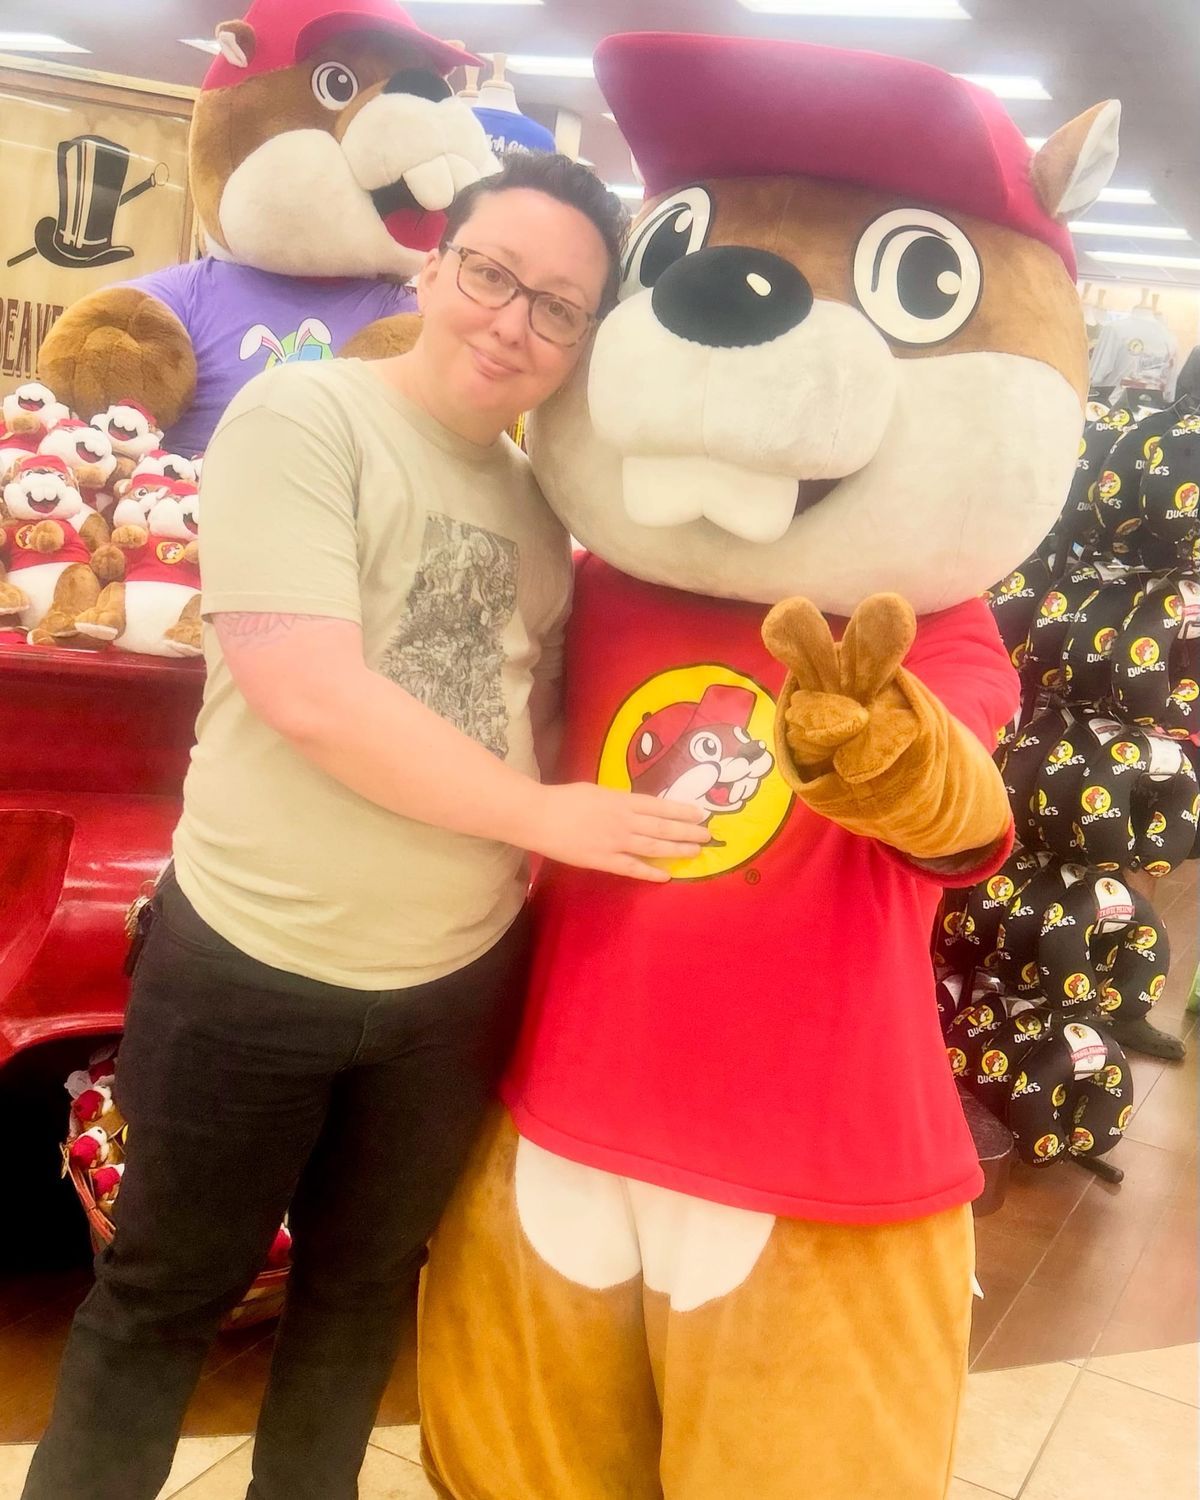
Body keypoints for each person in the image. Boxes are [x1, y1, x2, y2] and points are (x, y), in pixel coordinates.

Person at [22, 153, 710, 1500]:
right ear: (433, 271)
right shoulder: (303, 417)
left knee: (360, 1297)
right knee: (163, 1297)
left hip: (449, 989)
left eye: (559, 307)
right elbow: (311, 695)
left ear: (584, 341)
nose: (513, 322)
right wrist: (546, 818)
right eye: (493, 275)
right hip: (248, 966)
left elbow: (534, 716)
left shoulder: (540, 510)